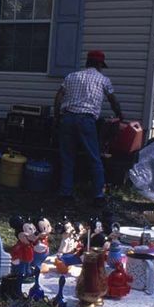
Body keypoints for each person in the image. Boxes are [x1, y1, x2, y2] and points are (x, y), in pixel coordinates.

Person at [53, 50, 124, 203]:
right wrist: (120, 114)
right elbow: (113, 100)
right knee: (94, 157)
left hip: (68, 118)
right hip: (86, 121)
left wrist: (57, 116)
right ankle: (98, 195)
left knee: (67, 157)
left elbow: (59, 96)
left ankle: (65, 193)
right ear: (99, 64)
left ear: (87, 62)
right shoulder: (103, 80)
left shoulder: (72, 76)